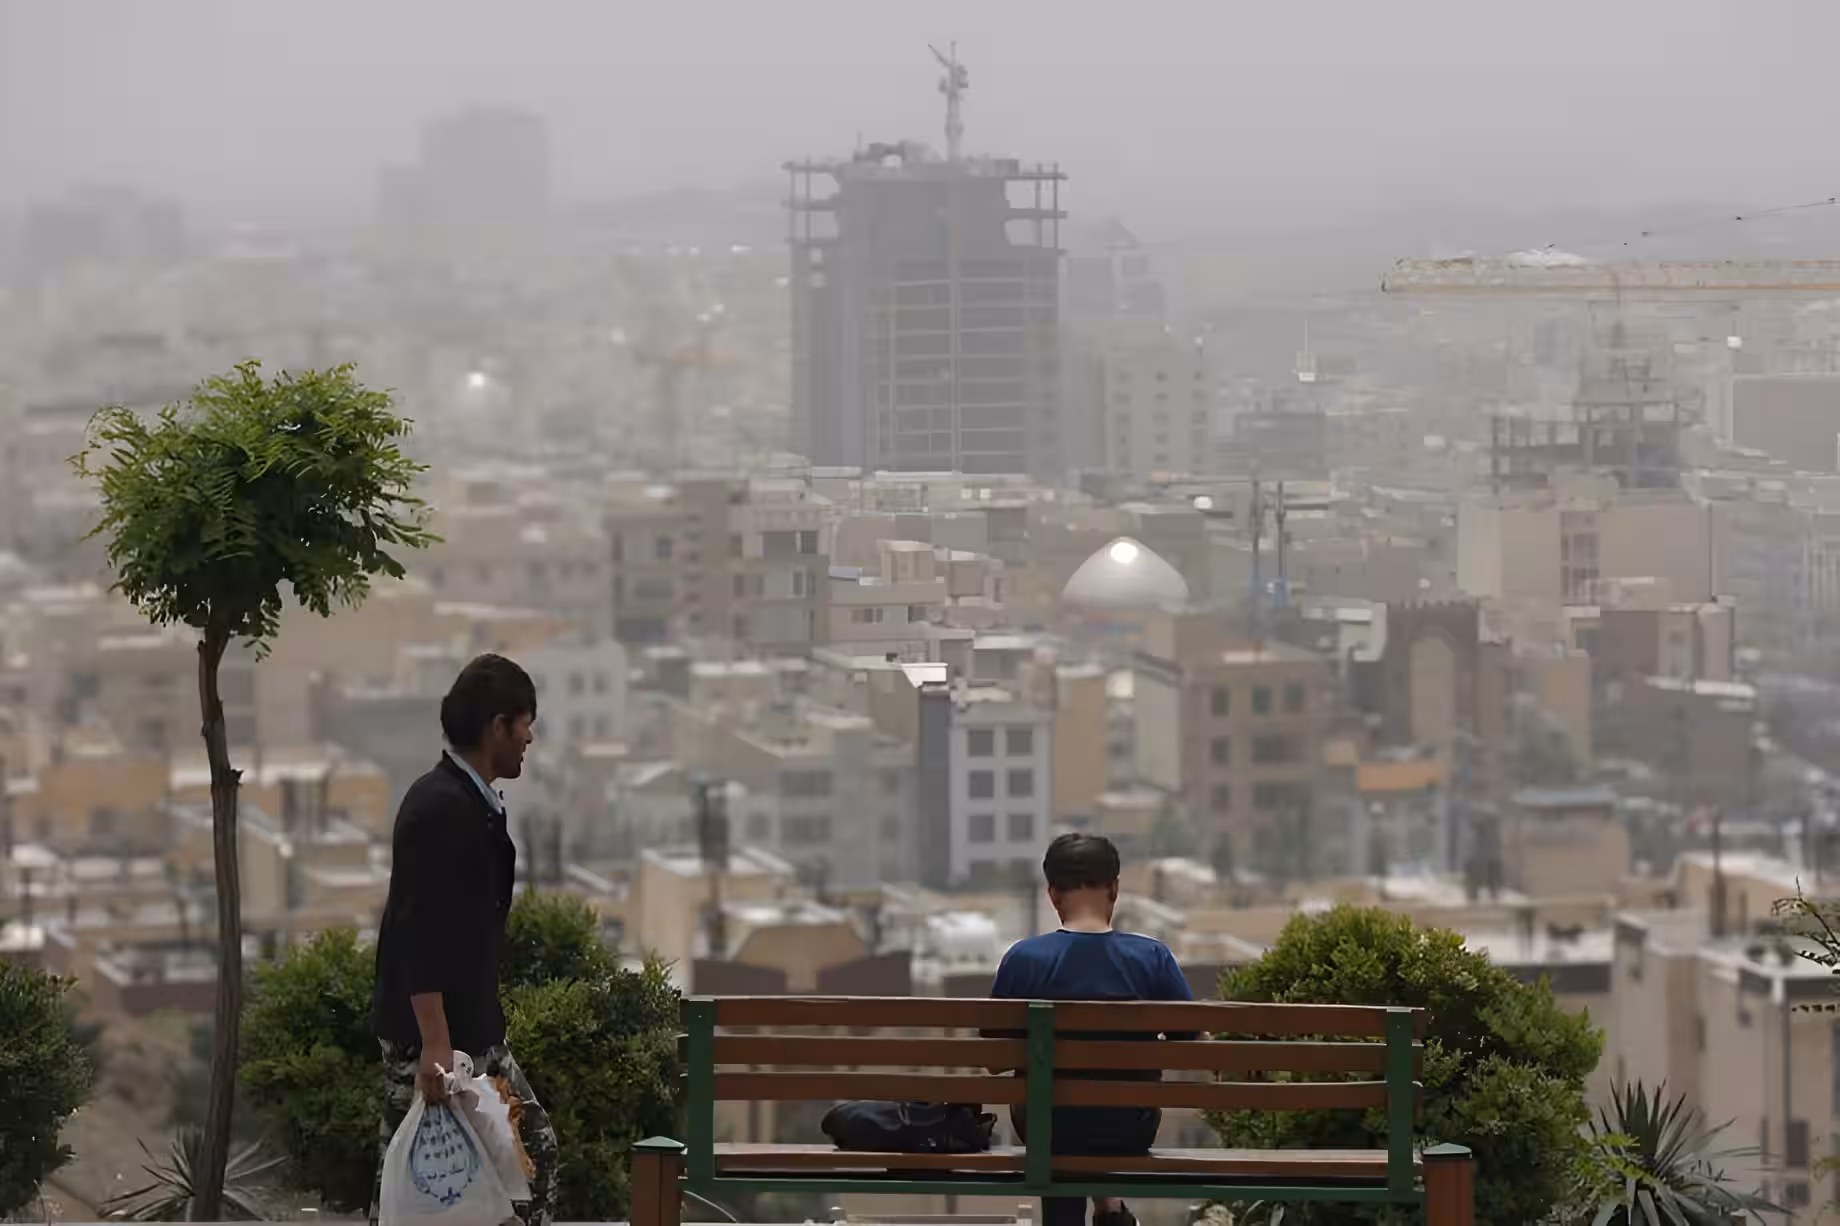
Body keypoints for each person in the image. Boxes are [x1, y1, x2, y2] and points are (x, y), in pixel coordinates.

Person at [369, 653, 558, 1226]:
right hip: (441, 1041)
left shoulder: (469, 802)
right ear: (495, 727)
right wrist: (434, 1045)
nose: (530, 737)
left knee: (432, 1179)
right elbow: (418, 929)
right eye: (524, 722)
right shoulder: (441, 808)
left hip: (465, 1032)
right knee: (511, 1164)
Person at [988, 833, 1196, 1226]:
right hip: (1129, 1130)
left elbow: (994, 1060)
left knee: (1056, 1118)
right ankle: (1110, 1206)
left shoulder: (1023, 959)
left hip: (1047, 1130)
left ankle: (1097, 1209)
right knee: (1096, 1113)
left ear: (1053, 895)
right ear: (1114, 890)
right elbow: (1192, 1046)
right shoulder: (1152, 957)